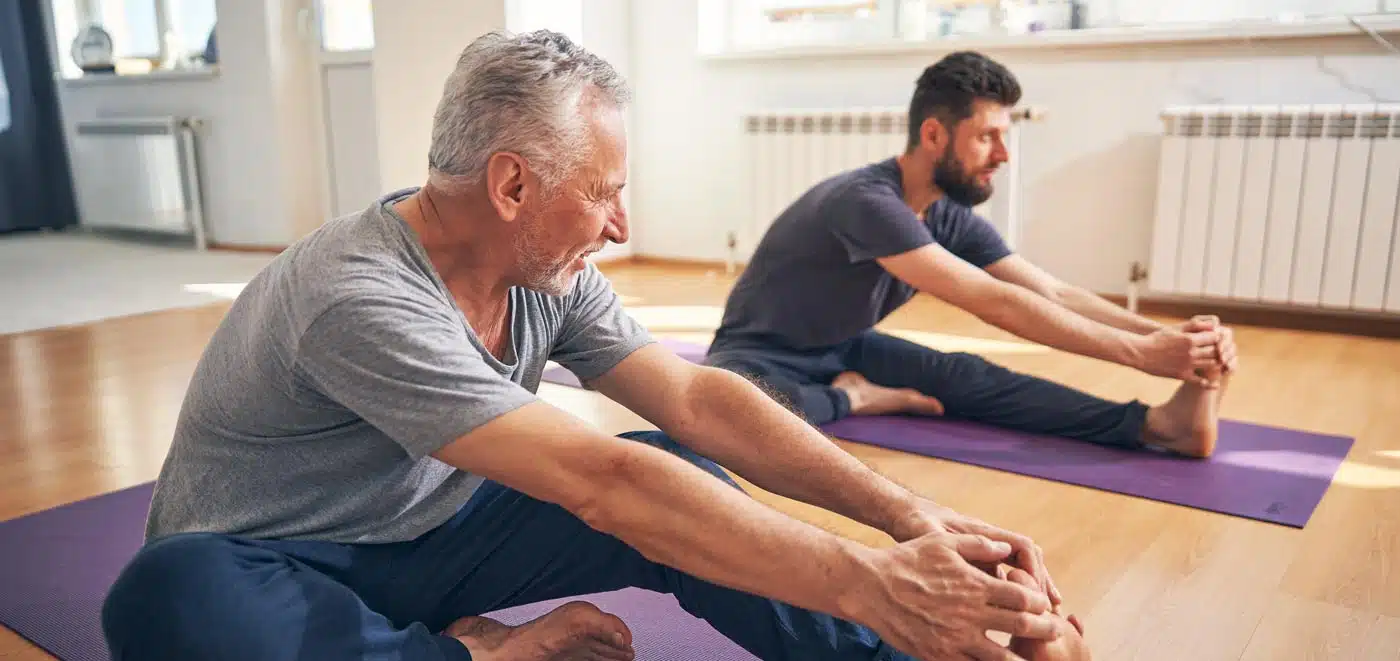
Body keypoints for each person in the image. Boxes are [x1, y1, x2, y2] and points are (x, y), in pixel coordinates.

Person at [100, 31, 1074, 661]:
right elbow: (593, 481)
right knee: (164, 600)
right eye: (602, 191)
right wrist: (871, 578)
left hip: (433, 539)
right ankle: (473, 652)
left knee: (672, 465)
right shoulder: (354, 294)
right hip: (279, 562)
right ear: (512, 186)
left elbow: (698, 403)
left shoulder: (539, 272)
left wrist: (912, 522)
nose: (618, 223)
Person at [704, 51, 1237, 460]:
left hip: (845, 346)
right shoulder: (866, 202)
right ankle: (860, 399)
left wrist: (1168, 340)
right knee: (733, 416)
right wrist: (1143, 357)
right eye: (987, 138)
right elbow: (993, 301)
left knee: (967, 378)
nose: (1003, 156)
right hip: (759, 353)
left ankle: (1160, 426)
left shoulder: (944, 212)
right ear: (934, 135)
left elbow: (1050, 292)